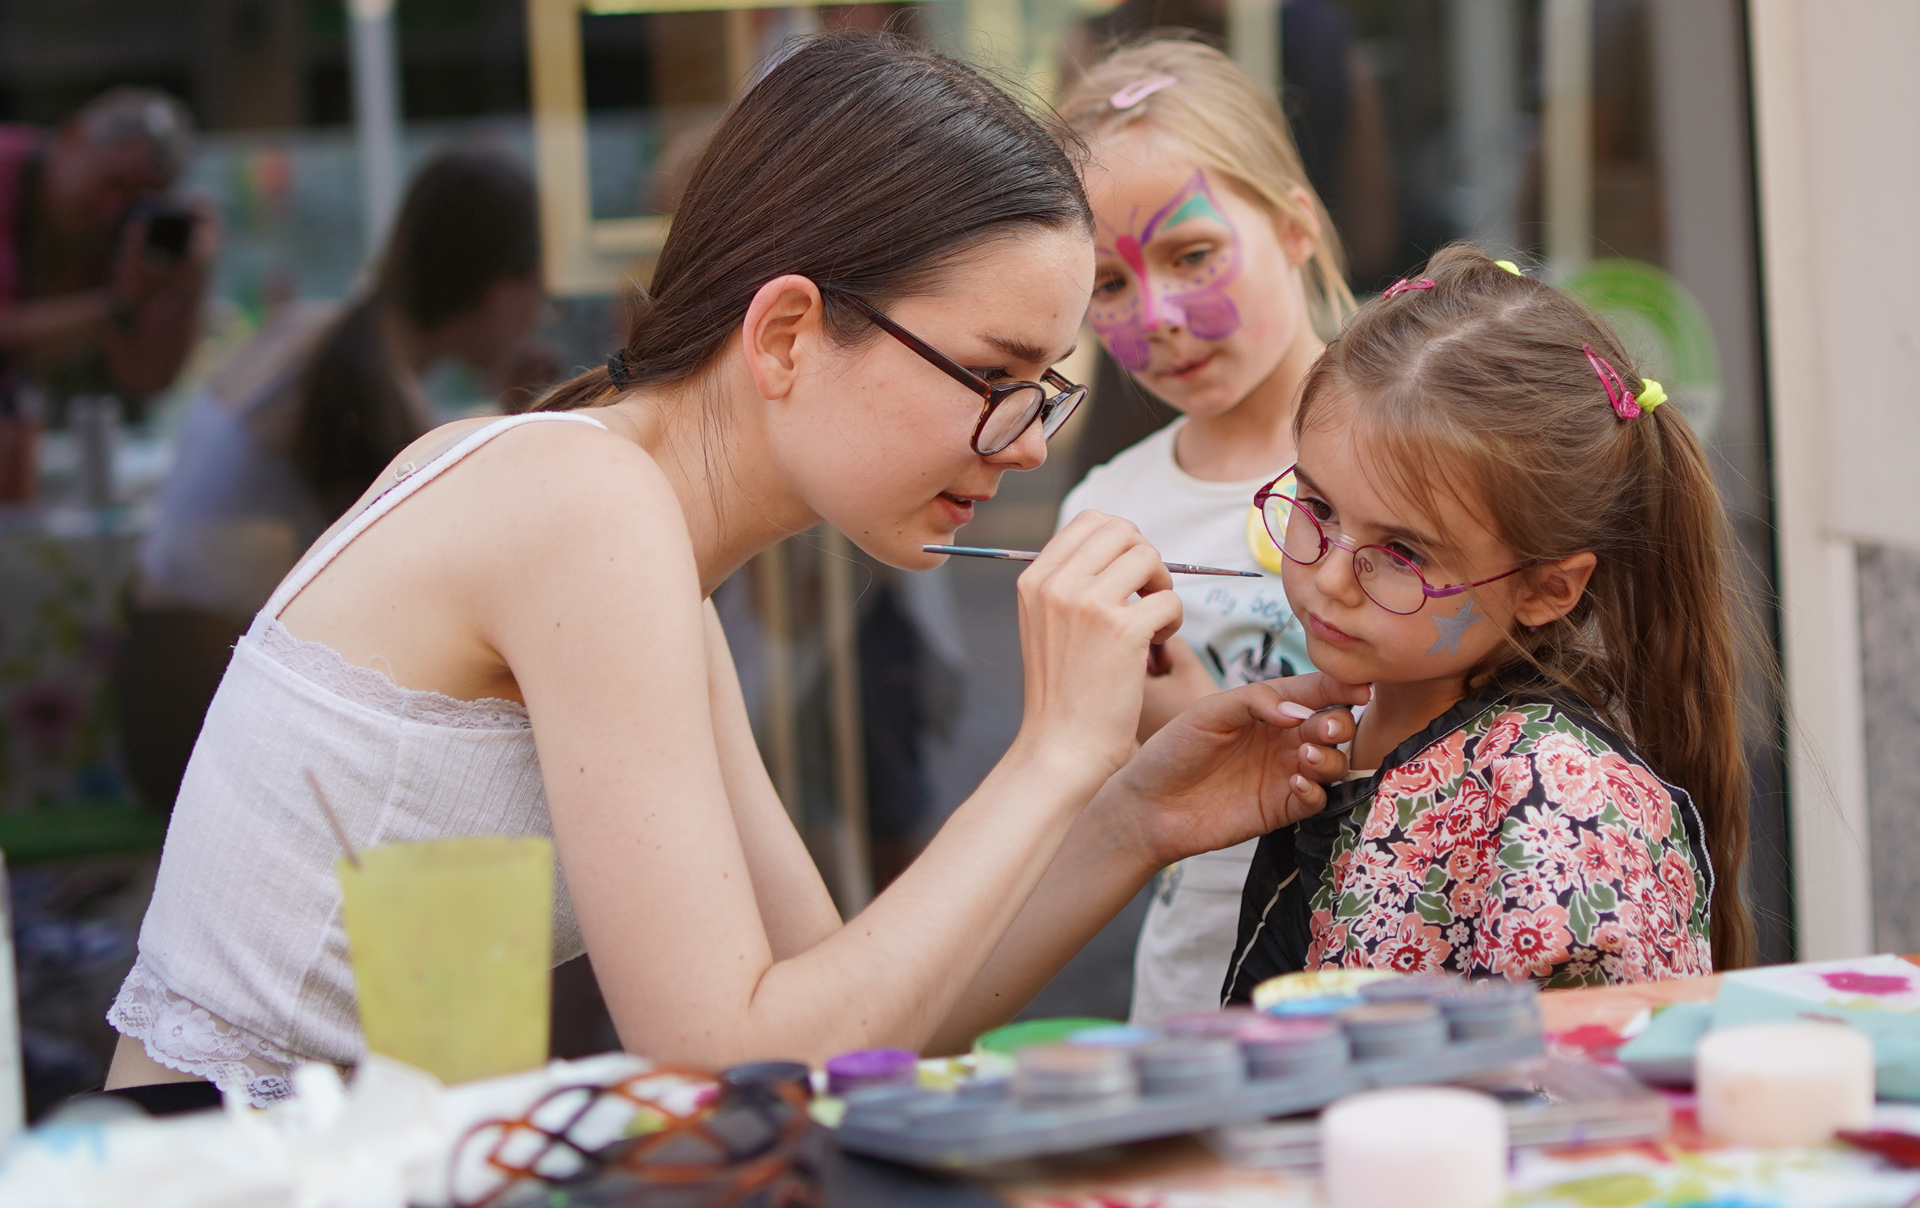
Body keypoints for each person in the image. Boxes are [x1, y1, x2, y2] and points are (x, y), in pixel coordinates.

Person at [103, 32, 1368, 1106]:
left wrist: (1133, 812)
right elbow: (734, 1059)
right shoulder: (585, 505)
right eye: (992, 378)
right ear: (785, 333)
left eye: (1043, 389)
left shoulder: (618, 519)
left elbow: (860, 1019)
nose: (1032, 443)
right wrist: (1052, 752)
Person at [1225, 248, 1756, 999]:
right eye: (1316, 509)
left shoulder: (1562, 808)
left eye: (1402, 552)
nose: (1330, 577)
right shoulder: (1342, 728)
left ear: (1547, 588)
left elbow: (1589, 1093)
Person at [1054, 41, 1356, 1025]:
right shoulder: (1104, 514)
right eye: (1110, 284)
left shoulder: (1418, 458)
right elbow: (1083, 799)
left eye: (1193, 255)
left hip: (1402, 963)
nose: (1162, 315)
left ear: (1297, 227)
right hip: (1196, 996)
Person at [120, 150, 547, 817]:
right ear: (501, 289)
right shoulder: (365, 383)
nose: (540, 313)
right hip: (203, 716)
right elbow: (415, 596)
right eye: (538, 289)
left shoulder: (318, 336)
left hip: (156, 685)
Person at [0, 87, 209, 419]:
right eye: (114, 184)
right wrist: (117, 308)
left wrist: (192, 280)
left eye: (139, 200)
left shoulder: (129, 230)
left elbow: (147, 378)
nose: (115, 210)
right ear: (72, 137)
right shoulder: (6, 167)